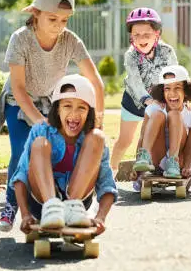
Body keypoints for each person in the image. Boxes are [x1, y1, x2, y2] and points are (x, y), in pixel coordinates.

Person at [0, 0, 105, 231]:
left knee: (56, 148)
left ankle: (53, 202)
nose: (59, 27)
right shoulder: (20, 40)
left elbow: (95, 81)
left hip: (51, 102)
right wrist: (38, 120)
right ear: (35, 14)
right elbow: (17, 87)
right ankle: (10, 207)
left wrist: (99, 118)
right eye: (53, 19)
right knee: (22, 149)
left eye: (64, 20)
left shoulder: (70, 40)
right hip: (18, 102)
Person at [11, 74, 117, 235]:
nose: (74, 114)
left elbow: (107, 183)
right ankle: (52, 206)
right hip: (42, 203)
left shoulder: (91, 138)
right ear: (57, 109)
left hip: (78, 204)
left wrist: (101, 217)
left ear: (89, 112)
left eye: (81, 107)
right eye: (67, 106)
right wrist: (25, 215)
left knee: (97, 137)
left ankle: (72, 205)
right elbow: (21, 175)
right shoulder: (41, 130)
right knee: (40, 143)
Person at [110, 7, 178, 176]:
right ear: (131, 37)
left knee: (160, 136)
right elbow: (135, 81)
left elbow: (176, 76)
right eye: (136, 35)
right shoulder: (130, 56)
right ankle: (110, 170)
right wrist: (147, 101)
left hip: (160, 101)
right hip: (134, 101)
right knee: (125, 141)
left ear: (157, 34)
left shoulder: (167, 51)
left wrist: (182, 99)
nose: (141, 39)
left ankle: (158, 167)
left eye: (146, 34)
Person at [132, 64, 191, 188]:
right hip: (156, 159)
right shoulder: (153, 108)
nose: (172, 93)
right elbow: (142, 138)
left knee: (175, 115)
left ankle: (172, 162)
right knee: (157, 114)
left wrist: (186, 166)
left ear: (186, 91)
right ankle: (144, 158)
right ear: (162, 91)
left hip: (177, 161)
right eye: (167, 88)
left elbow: (190, 146)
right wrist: (137, 163)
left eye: (177, 88)